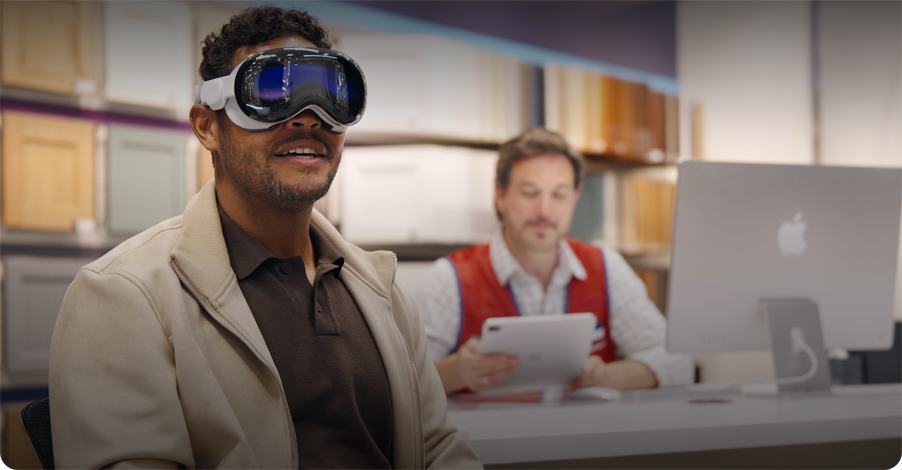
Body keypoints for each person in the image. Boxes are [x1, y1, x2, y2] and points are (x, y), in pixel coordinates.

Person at [49, 7, 481, 469]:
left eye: (331, 97)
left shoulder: (382, 288)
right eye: (273, 93)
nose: (309, 119)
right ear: (207, 126)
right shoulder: (123, 295)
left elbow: (437, 449)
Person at [416, 127, 694, 394]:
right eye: (529, 193)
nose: (544, 211)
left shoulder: (605, 266)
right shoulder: (450, 278)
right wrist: (457, 372)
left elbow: (678, 363)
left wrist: (608, 377)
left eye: (559, 195)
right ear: (500, 197)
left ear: (574, 199)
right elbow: (403, 383)